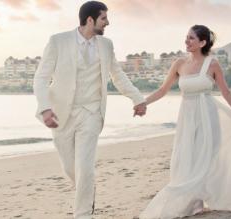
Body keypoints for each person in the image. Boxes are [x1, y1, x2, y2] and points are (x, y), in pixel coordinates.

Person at [139, 25, 231, 219]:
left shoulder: (212, 64)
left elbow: (226, 92)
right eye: (186, 37)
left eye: (191, 38)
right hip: (186, 118)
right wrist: (143, 103)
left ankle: (198, 203)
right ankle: (194, 204)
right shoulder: (179, 64)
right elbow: (162, 90)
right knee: (185, 159)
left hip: (208, 117)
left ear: (202, 42)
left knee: (204, 160)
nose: (187, 41)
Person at [33, 1, 146, 218]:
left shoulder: (106, 45)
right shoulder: (58, 41)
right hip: (61, 114)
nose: (108, 22)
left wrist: (137, 99)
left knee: (85, 168)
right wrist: (45, 108)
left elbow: (117, 75)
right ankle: (87, 189)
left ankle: (83, 214)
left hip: (92, 112)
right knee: (70, 168)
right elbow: (41, 78)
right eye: (104, 18)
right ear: (90, 19)